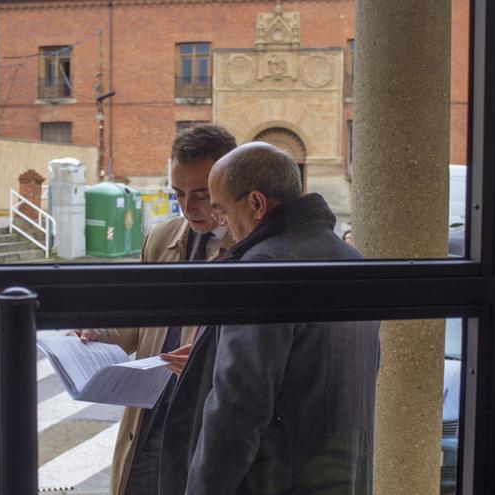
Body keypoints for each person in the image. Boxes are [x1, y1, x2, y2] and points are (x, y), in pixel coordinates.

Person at [160, 142, 380, 495]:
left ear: (257, 204)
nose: (225, 226)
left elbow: (237, 410)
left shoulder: (261, 272)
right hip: (335, 475)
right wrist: (211, 355)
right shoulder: (348, 258)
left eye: (222, 211)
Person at [68, 124, 237, 495]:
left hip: (205, 427)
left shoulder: (253, 250)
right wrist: (98, 331)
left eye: (201, 194)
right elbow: (137, 325)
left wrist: (210, 359)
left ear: (227, 185)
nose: (188, 207)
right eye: (177, 193)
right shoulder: (161, 238)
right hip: (148, 421)